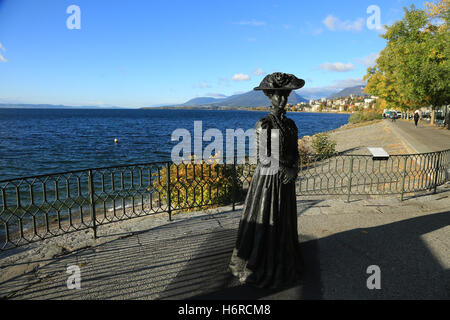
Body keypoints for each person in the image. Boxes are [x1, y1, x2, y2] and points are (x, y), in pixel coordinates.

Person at [229, 72, 304, 289]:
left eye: (285, 95)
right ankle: (261, 261)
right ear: (269, 96)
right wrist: (284, 169)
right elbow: (263, 157)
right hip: (268, 182)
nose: (282, 100)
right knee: (268, 218)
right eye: (278, 95)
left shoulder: (291, 125)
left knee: (284, 220)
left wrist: (294, 169)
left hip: (285, 181)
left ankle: (282, 258)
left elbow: (295, 152)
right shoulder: (264, 124)